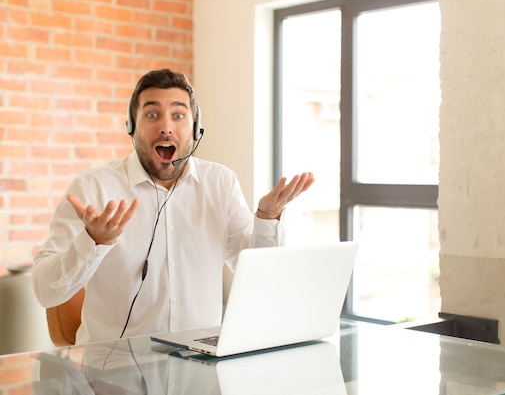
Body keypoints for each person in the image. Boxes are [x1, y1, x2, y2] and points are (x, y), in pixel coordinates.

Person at [32, 68, 315, 344]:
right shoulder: (92, 188)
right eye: (152, 114)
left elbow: (257, 277)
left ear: (195, 128)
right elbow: (46, 291)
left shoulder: (220, 182)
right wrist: (93, 242)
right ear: (132, 126)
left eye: (178, 115)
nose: (166, 126)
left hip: (200, 371)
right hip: (114, 375)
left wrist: (267, 217)